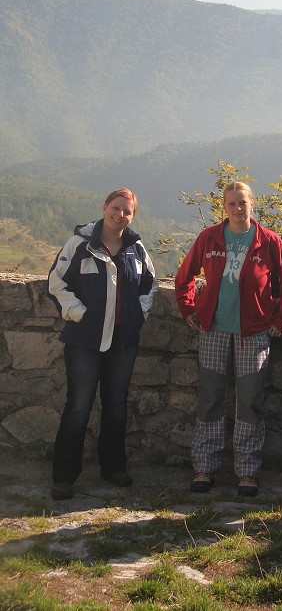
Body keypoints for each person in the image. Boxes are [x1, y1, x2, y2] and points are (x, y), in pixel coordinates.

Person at [175, 181, 282, 497]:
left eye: (242, 202)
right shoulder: (210, 238)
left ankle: (247, 472)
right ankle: (204, 467)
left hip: (254, 333)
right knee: (210, 398)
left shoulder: (268, 242)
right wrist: (188, 308)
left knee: (249, 402)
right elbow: (185, 275)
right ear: (224, 207)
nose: (237, 208)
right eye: (231, 203)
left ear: (251, 204)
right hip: (213, 330)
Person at [48, 188, 157, 500]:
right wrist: (79, 315)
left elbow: (149, 286)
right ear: (105, 207)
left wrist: (139, 315)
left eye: (127, 211)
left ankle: (113, 468)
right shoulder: (80, 245)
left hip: (123, 340)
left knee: (116, 405)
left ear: (132, 216)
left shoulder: (136, 249)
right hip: (84, 340)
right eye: (116, 207)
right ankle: (64, 477)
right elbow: (56, 284)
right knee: (78, 406)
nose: (120, 214)